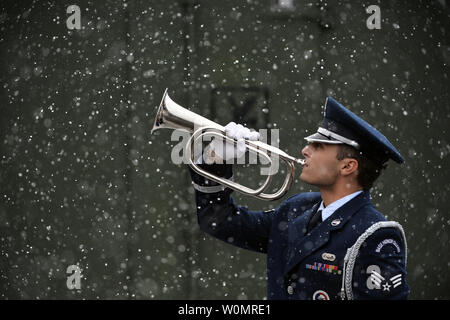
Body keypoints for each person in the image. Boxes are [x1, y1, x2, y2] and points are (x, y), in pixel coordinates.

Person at [187, 97, 410, 300]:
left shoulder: (376, 235)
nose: (305, 150)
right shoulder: (297, 209)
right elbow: (219, 222)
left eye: (318, 146)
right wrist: (215, 160)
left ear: (348, 166)